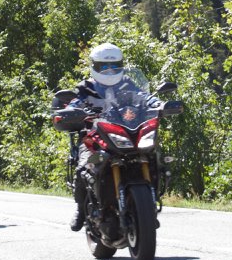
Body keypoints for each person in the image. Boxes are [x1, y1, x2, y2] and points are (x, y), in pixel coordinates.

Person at [65, 42, 162, 231]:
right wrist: (72, 110)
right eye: (104, 67)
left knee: (156, 158)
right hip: (95, 138)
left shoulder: (128, 83)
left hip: (126, 132)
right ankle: (80, 209)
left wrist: (158, 103)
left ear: (121, 65)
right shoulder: (86, 88)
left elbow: (144, 96)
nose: (110, 71)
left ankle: (148, 204)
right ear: (95, 67)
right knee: (84, 167)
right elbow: (74, 103)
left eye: (114, 66)